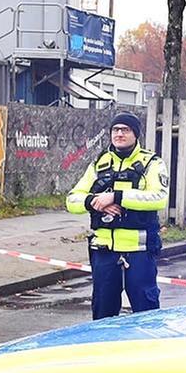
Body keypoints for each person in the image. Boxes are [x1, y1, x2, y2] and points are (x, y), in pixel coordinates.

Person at [66, 111, 167, 318]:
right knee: (103, 314)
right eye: (115, 129)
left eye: (125, 130)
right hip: (104, 252)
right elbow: (71, 200)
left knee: (146, 315)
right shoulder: (99, 163)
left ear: (136, 134)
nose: (119, 134)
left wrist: (116, 197)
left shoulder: (151, 163)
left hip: (138, 252)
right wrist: (95, 203)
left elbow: (159, 198)